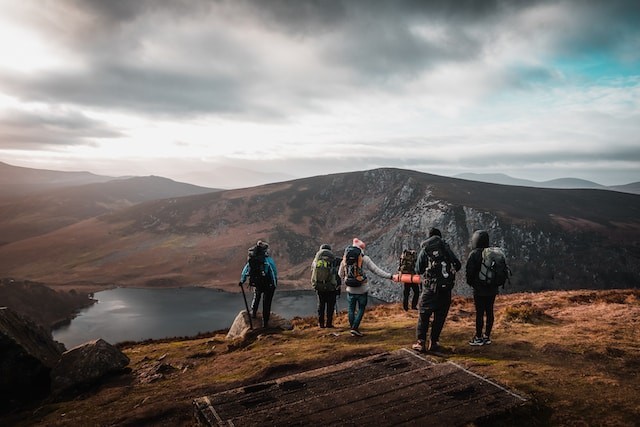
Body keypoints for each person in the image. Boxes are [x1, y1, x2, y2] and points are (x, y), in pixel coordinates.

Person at [412, 228, 461, 353]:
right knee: (440, 316)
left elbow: (418, 269)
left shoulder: (425, 249)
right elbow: (458, 264)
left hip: (430, 288)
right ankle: (434, 342)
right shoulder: (446, 247)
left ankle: (421, 343)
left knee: (424, 314)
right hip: (446, 288)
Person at [338, 237, 394, 337]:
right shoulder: (365, 259)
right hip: (362, 289)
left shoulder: (345, 259)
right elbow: (376, 270)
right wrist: (389, 276)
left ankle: (353, 328)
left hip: (350, 289)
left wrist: (347, 279)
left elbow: (340, 274)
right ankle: (355, 328)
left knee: (351, 309)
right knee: (361, 309)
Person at [466, 230, 498, 346]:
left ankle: (478, 337)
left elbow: (469, 273)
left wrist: (473, 284)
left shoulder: (474, 254)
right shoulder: (493, 253)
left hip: (479, 290)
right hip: (492, 289)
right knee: (490, 311)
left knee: (479, 313)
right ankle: (487, 337)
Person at [239, 240, 278, 328]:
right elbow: (273, 273)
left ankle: (253, 312)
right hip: (268, 284)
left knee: (257, 296)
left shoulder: (252, 259)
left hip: (257, 283)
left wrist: (242, 280)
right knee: (266, 302)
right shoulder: (268, 260)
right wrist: (274, 284)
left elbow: (246, 270)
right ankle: (265, 322)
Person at [311, 244, 339, 328]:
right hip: (331, 287)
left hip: (319, 286)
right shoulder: (333, 259)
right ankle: (329, 323)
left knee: (321, 304)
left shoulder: (316, 260)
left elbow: (312, 271)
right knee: (330, 305)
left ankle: (321, 323)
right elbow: (336, 273)